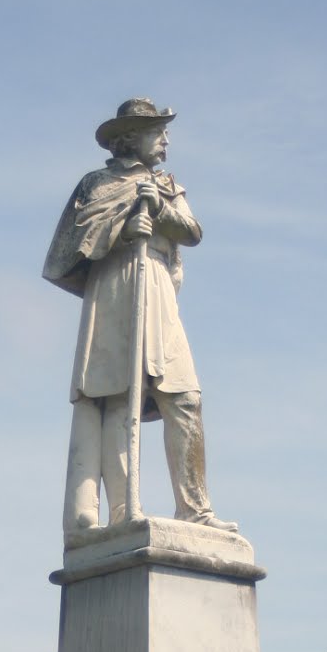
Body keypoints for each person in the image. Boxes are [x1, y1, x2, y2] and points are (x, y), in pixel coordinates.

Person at [44, 97, 237, 538]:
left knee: (185, 396)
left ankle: (196, 510)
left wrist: (162, 211)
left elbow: (192, 231)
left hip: (159, 293)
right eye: (157, 132)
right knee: (116, 398)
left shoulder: (165, 183)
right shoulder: (96, 184)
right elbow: (67, 250)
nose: (166, 141)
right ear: (132, 138)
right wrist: (121, 230)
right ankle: (123, 510)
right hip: (115, 291)